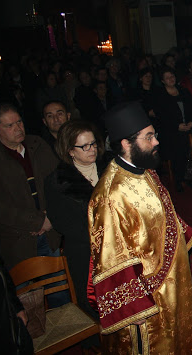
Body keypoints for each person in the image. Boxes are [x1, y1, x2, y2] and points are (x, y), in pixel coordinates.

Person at [88, 102, 192, 353]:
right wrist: (133, 304)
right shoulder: (111, 195)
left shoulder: (144, 169)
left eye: (155, 135)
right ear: (126, 144)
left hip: (172, 278)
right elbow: (109, 255)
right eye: (149, 137)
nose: (156, 142)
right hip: (149, 296)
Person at [45, 120, 107, 322]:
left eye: (94, 143)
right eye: (84, 146)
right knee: (96, 303)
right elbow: (62, 223)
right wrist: (100, 235)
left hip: (119, 245)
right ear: (70, 151)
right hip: (86, 252)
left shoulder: (110, 166)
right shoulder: (58, 181)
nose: (92, 150)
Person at [0, 103, 60, 270]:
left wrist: (51, 217)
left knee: (60, 290)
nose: (18, 128)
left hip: (51, 232)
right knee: (31, 292)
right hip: (18, 241)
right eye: (10, 125)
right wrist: (36, 222)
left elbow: (58, 183)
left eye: (19, 122)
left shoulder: (37, 145)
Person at [154, 68, 192, 192]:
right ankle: (179, 180)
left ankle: (189, 178)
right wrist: (176, 126)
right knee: (177, 154)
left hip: (187, 129)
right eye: (167, 77)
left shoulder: (183, 91)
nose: (171, 79)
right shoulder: (161, 96)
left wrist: (191, 122)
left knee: (190, 153)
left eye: (172, 76)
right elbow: (161, 117)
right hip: (172, 132)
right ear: (162, 81)